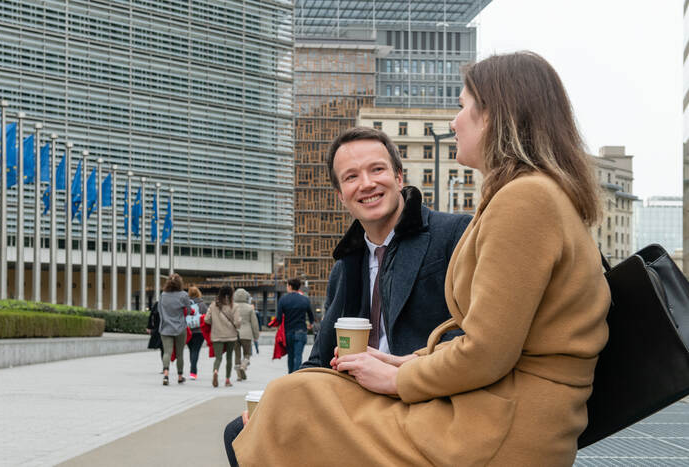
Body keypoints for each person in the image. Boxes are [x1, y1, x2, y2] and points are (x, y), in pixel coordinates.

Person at [231, 52, 611, 465]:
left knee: (289, 402)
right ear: (340, 196)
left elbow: (487, 351)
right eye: (351, 178)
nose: (453, 121)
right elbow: (489, 337)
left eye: (463, 106)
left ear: (495, 115)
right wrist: (396, 362)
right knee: (283, 402)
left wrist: (398, 376)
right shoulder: (528, 195)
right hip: (494, 409)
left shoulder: (525, 199)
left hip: (499, 425)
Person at [223, 123, 473, 465]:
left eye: (377, 170)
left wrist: (407, 370)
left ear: (400, 178)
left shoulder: (453, 233)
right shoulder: (347, 264)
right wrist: (273, 408)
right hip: (356, 402)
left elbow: (477, 334)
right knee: (241, 430)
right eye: (351, 176)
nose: (367, 184)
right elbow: (319, 359)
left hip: (424, 401)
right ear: (341, 195)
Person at [275, 279, 314, 374]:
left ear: (290, 286)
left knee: (291, 356)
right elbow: (311, 316)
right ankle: (296, 376)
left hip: (288, 332)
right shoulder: (305, 300)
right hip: (301, 331)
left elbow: (279, 318)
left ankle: (290, 375)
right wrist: (310, 324)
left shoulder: (283, 300)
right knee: (298, 356)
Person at [205, 285, 241, 387]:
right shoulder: (235, 306)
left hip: (217, 335)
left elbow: (206, 319)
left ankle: (215, 371)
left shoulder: (213, 305)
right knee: (229, 357)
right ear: (231, 294)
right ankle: (227, 380)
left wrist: (215, 322)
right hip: (231, 335)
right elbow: (237, 322)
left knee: (218, 357)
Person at [157, 273, 190, 386]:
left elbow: (159, 310)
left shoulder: (163, 295)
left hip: (165, 327)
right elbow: (189, 310)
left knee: (167, 352)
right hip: (180, 327)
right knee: (180, 353)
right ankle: (180, 376)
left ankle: (166, 374)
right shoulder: (184, 295)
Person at [232, 288, 260, 381]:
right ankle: (243, 366)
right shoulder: (249, 308)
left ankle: (239, 376)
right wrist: (256, 336)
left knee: (237, 355)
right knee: (247, 354)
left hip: (234, 333)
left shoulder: (232, 307)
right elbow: (254, 323)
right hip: (246, 334)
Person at [185, 286, 206, 381]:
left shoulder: (186, 304)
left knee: (191, 350)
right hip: (199, 331)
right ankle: (193, 372)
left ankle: (192, 369)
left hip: (188, 330)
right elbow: (206, 317)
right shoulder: (202, 305)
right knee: (196, 351)